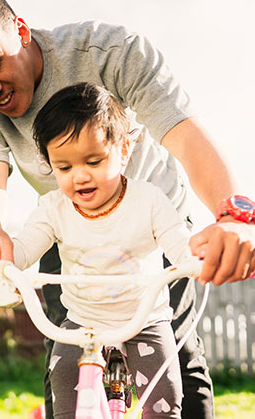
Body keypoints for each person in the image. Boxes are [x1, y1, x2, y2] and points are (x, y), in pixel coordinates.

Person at [0, 0, 255, 418]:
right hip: (69, 234)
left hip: (153, 230)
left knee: (177, 363)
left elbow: (185, 135)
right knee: (64, 363)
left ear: (21, 31)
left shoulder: (110, 51)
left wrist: (233, 218)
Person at [13, 81, 195, 418]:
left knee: (164, 402)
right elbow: (23, 247)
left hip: (145, 320)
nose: (79, 177)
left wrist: (196, 261)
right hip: (82, 322)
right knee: (64, 382)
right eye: (64, 167)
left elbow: (180, 245)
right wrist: (2, 265)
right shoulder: (53, 207)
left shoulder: (149, 200)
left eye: (93, 161)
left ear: (124, 150)